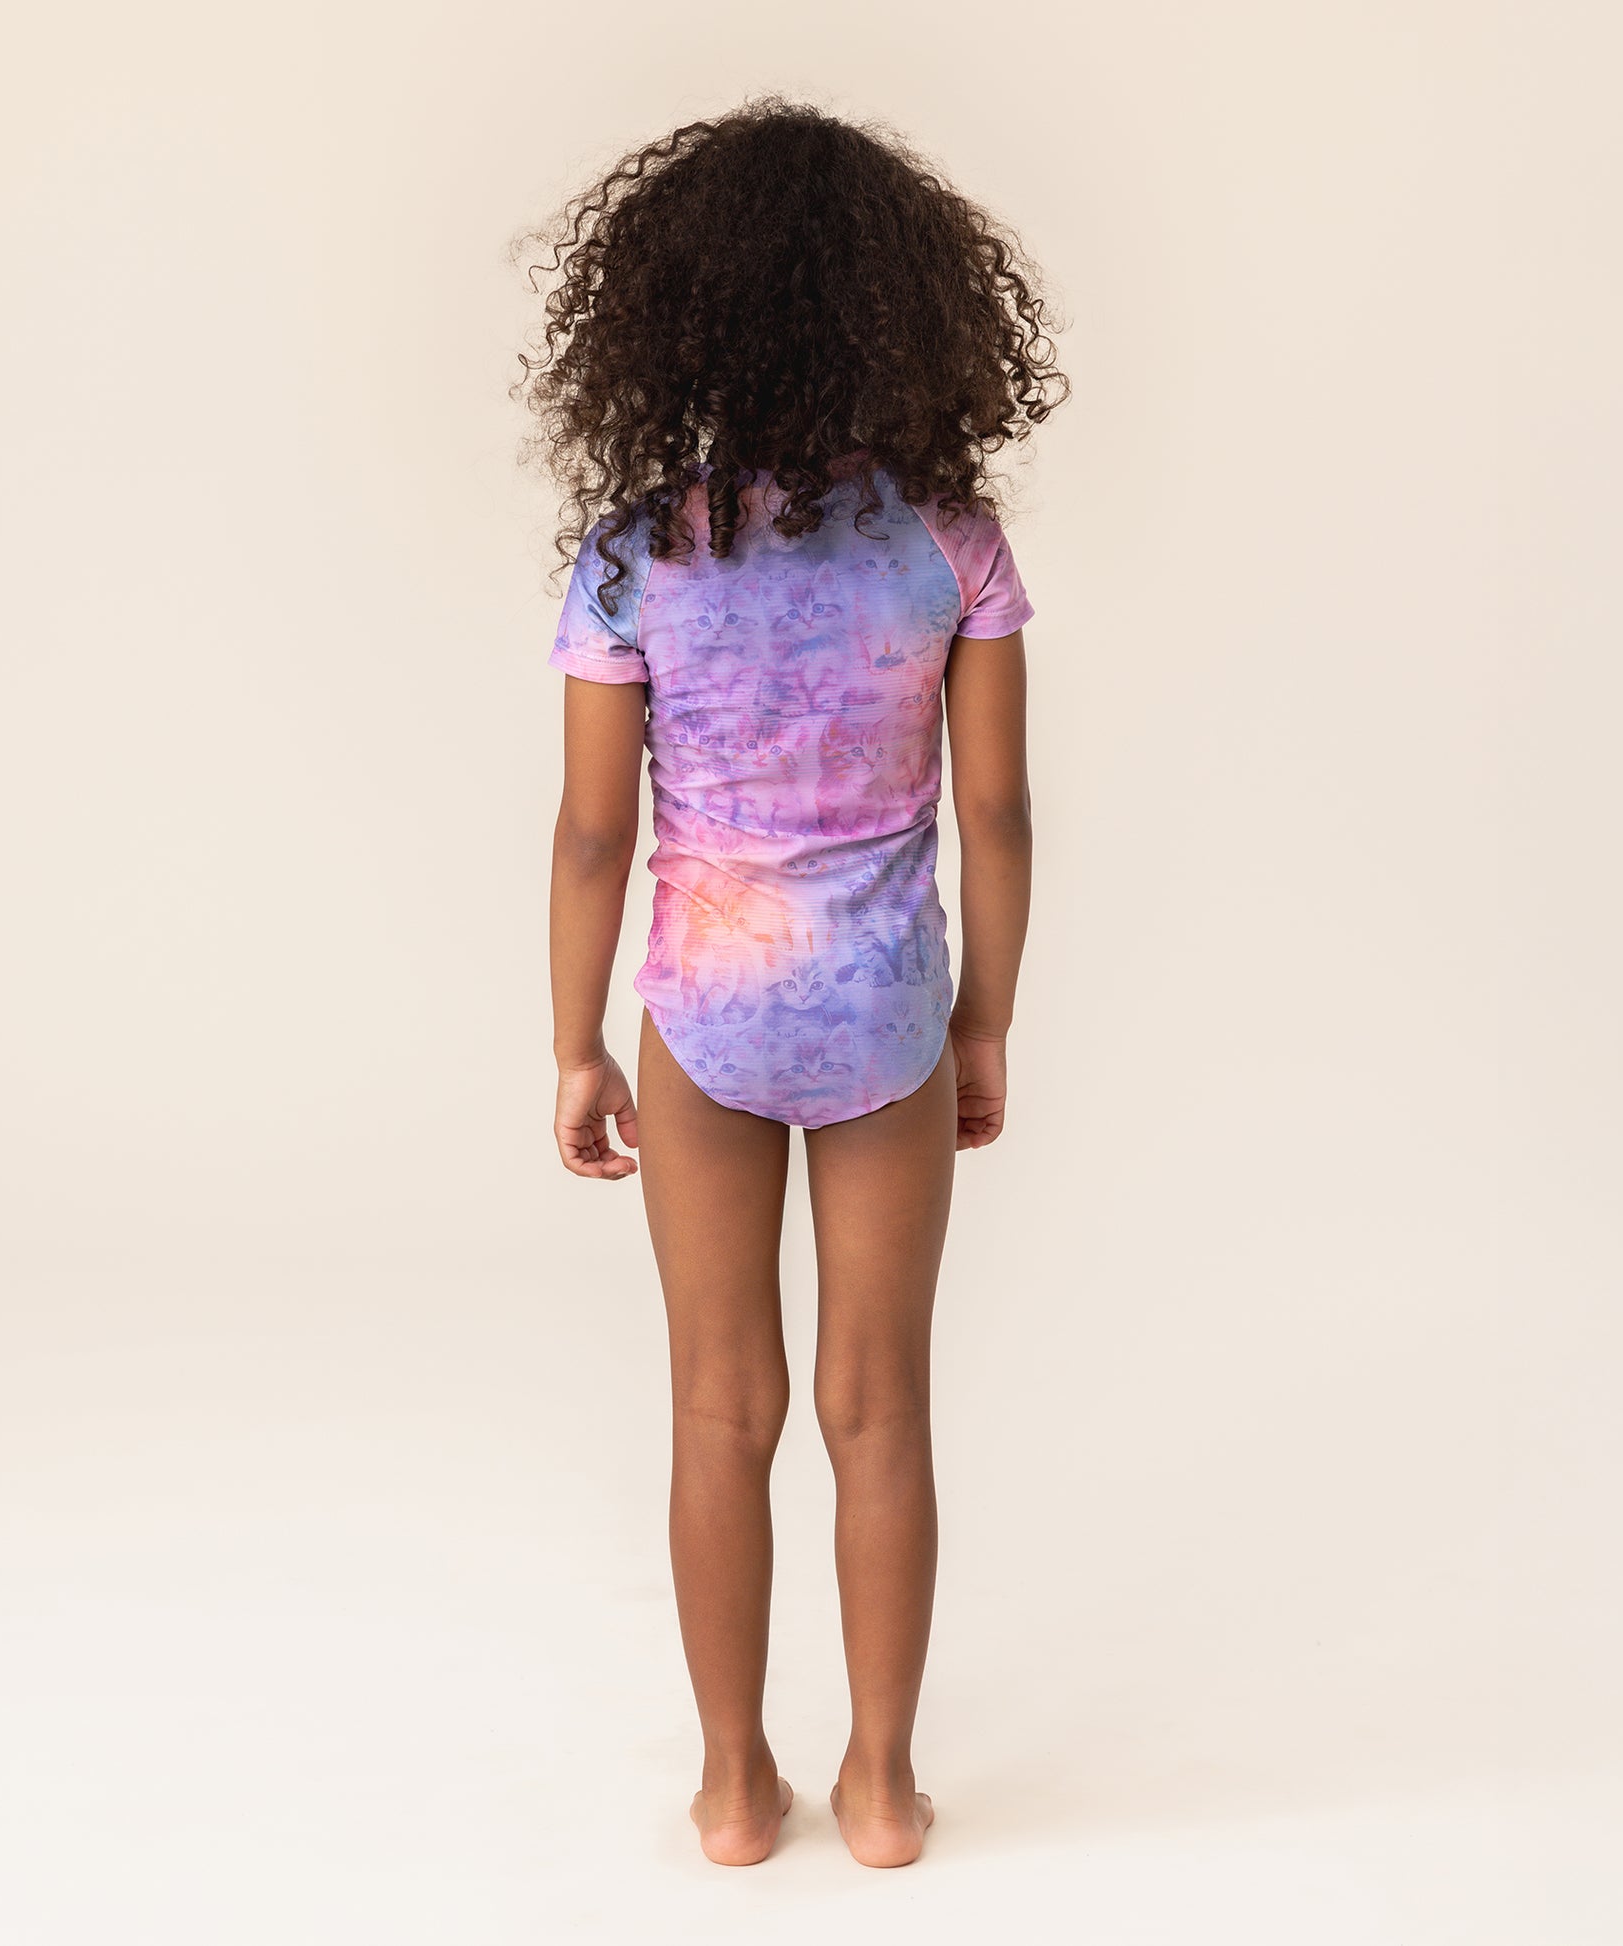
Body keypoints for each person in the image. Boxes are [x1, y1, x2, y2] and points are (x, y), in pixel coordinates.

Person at [522, 99, 1066, 1869]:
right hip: (884, 1009)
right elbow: (995, 809)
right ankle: (885, 1787)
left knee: (718, 1403)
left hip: (702, 1010)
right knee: (876, 1404)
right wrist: (983, 1019)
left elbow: (592, 834)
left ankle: (734, 1784)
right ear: (906, 313)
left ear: (668, 318)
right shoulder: (947, 543)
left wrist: (574, 1044)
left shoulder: (637, 553)